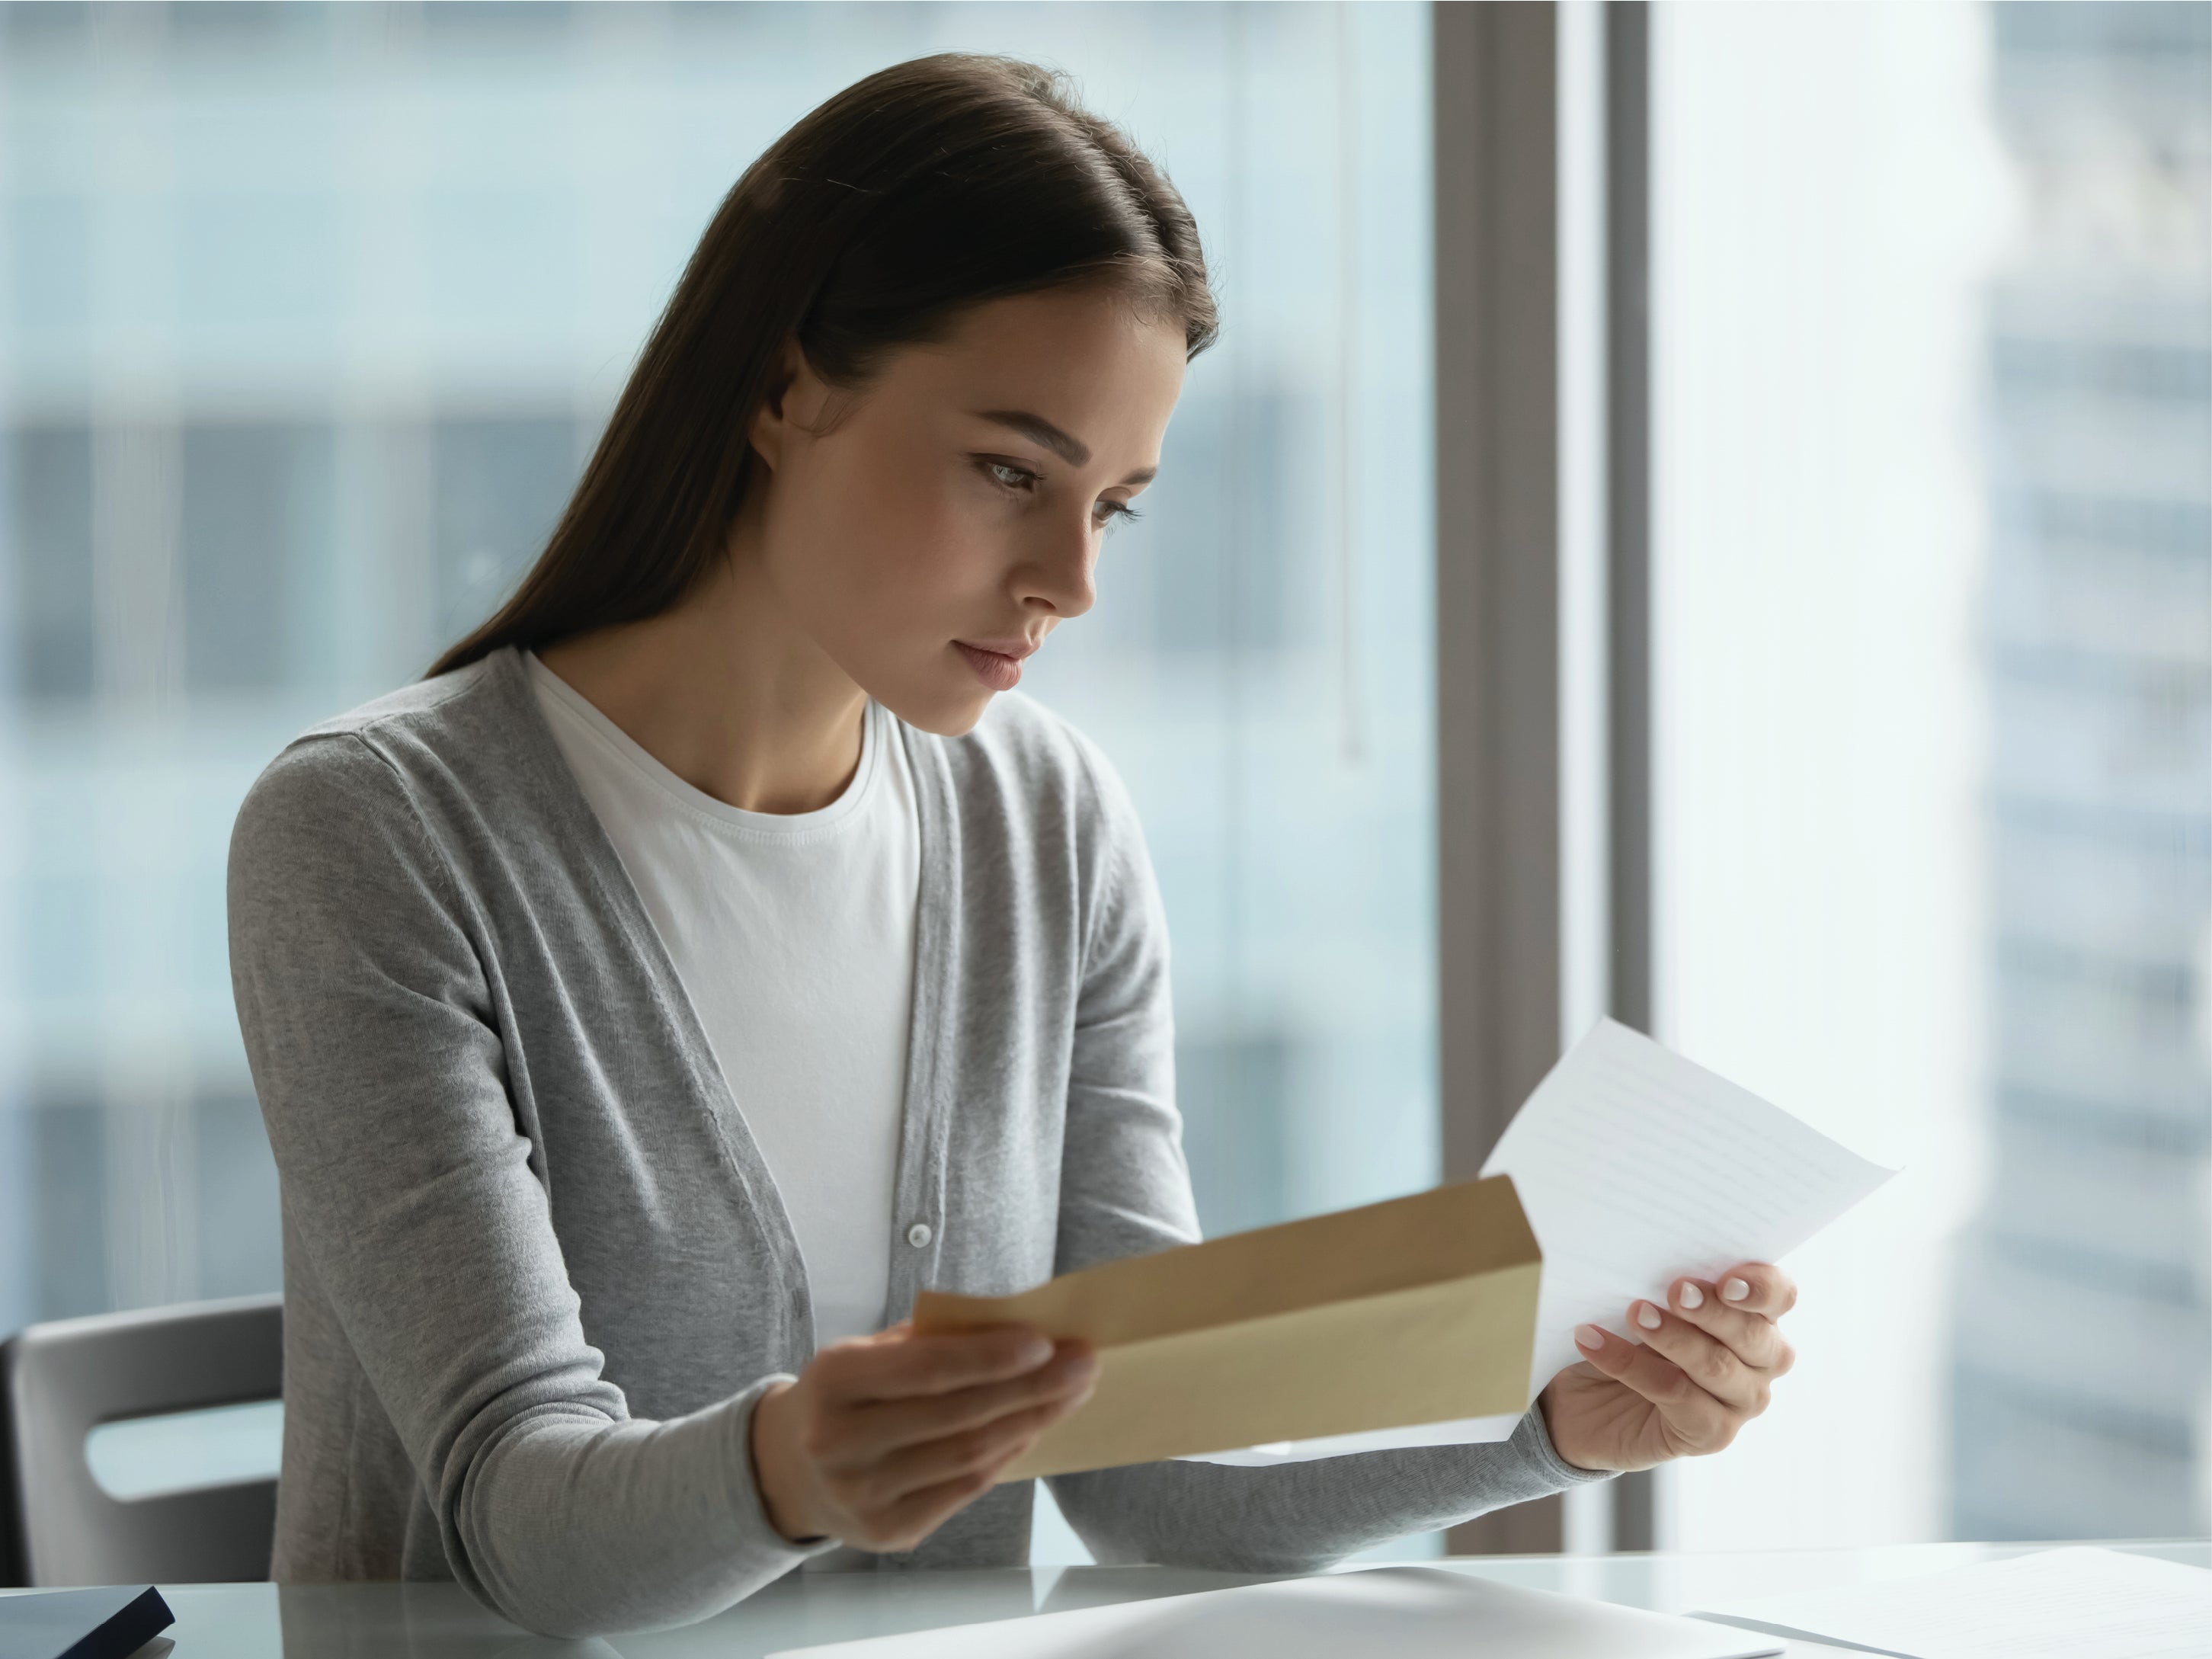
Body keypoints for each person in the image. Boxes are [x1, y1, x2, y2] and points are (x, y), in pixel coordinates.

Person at [225, 51, 1800, 1641]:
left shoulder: (1049, 824)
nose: (1069, 580)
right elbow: (523, 1523)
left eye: (1111, 505)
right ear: (785, 390)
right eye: (1008, 472)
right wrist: (789, 1470)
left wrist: (1542, 1427)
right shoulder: (378, 834)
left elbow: (1142, 1477)